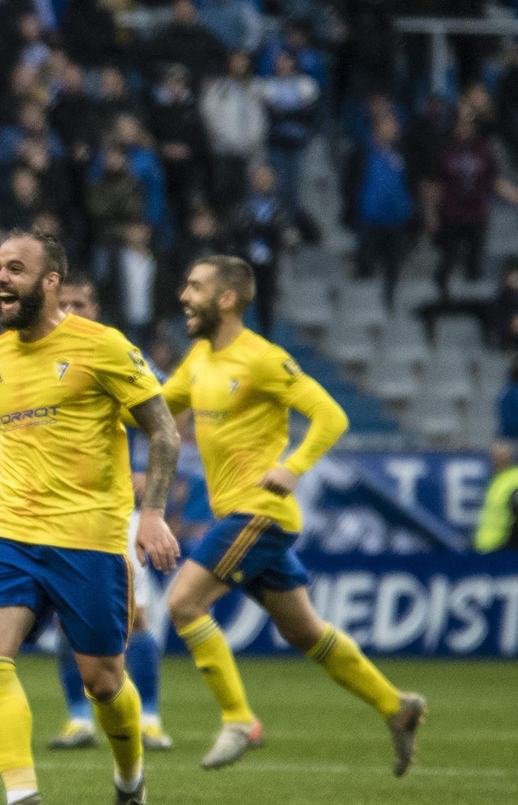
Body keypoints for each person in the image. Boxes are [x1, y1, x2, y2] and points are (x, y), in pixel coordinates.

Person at [163, 256, 425, 774]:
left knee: (184, 603)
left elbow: (331, 415)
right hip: (240, 517)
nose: (183, 296)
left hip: (257, 512)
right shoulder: (198, 357)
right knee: (305, 632)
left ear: (227, 299)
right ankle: (397, 706)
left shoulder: (264, 359)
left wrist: (293, 467)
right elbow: (157, 406)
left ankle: (239, 720)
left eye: (194, 287)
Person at [0, 229, 181, 805]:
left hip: (88, 538)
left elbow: (164, 432)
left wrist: (151, 515)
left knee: (104, 681)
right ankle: (24, 803)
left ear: (51, 281)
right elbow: (16, 442)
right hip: (14, 533)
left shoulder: (102, 346)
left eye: (16, 268)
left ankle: (130, 786)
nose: (1, 278)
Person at [46, 274, 170, 753]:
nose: (72, 311)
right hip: (55, 510)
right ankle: (79, 719)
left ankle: (150, 717)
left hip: (113, 510)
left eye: (81, 302)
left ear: (96, 307)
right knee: (65, 619)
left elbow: (169, 408)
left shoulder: (112, 350)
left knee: (134, 616)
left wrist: (148, 476)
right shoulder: (37, 352)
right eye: (65, 303)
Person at [474, 441, 518, 553]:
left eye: (495, 457)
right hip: (488, 548)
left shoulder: (514, 480)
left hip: (502, 548)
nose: (491, 461)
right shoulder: (500, 479)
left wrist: (511, 546)